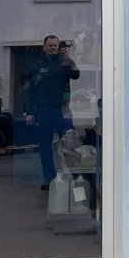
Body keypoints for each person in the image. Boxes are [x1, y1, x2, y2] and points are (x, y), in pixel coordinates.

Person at [23, 35, 80, 189]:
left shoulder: (64, 63)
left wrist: (68, 59)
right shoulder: (37, 66)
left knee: (69, 143)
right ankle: (49, 178)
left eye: (55, 45)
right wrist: (29, 112)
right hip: (42, 111)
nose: (53, 48)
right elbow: (29, 90)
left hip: (61, 110)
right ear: (44, 47)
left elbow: (76, 75)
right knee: (45, 146)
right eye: (50, 45)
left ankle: (74, 176)